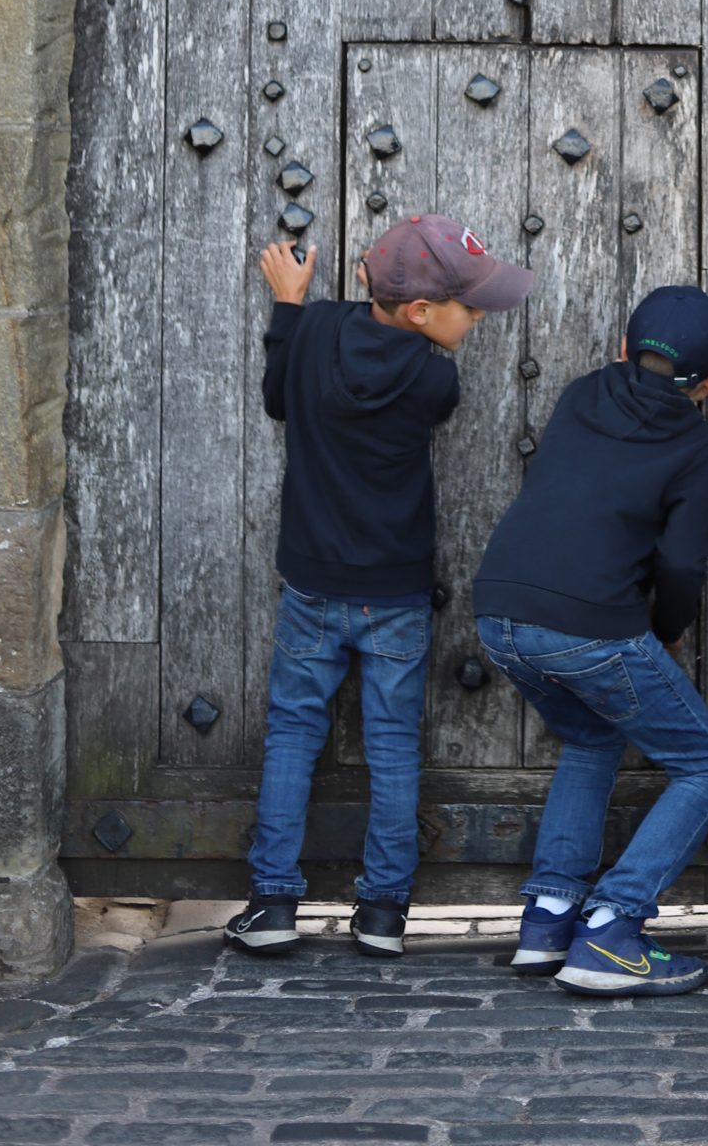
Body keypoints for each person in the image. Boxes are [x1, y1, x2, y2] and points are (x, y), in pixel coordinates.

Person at [224, 217, 531, 960]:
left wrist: (290, 306)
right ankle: (385, 909)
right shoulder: (433, 377)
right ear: (422, 314)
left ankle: (271, 903)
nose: (480, 315)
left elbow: (277, 398)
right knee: (392, 746)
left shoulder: (318, 329)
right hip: (393, 589)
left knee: (294, 733)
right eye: (470, 305)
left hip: (311, 583)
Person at [472, 282, 708, 997]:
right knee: (707, 766)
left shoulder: (580, 394)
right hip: (588, 626)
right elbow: (682, 563)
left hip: (498, 613)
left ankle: (549, 917)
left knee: (592, 738)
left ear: (622, 349)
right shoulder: (699, 444)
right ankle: (612, 931)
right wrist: (663, 635)